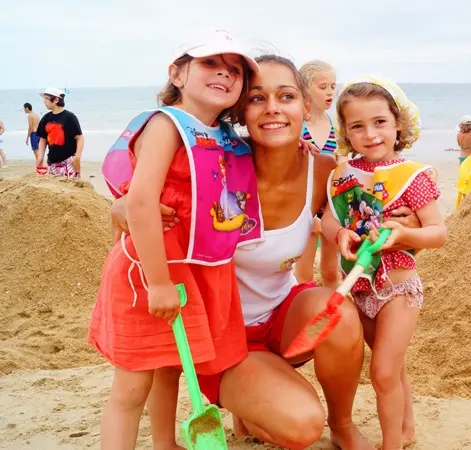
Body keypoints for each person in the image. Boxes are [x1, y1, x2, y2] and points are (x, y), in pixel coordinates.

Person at [112, 55, 422, 450]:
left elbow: (368, 209)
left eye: (286, 96)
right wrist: (120, 204)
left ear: (305, 107)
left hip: (282, 316)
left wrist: (409, 222)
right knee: (303, 427)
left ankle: (342, 425)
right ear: (242, 111)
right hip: (225, 338)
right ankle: (248, 399)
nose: (273, 108)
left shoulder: (324, 170)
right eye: (258, 98)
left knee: (341, 314)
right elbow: (150, 186)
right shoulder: (216, 164)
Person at [88, 28, 260, 449]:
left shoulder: (224, 136)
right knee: (132, 385)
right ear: (177, 74)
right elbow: (140, 202)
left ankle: (164, 443)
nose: (224, 73)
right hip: (150, 271)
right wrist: (159, 282)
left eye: (235, 70)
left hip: (193, 270)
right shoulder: (167, 124)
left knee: (169, 367)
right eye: (210, 63)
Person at [323, 75, 447, 450]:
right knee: (393, 367)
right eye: (357, 126)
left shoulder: (413, 177)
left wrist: (404, 234)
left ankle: (392, 443)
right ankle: (406, 430)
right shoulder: (342, 175)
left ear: (398, 124)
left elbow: (438, 233)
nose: (371, 134)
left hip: (398, 290)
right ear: (346, 132)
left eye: (380, 122)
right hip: (358, 288)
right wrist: (339, 234)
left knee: (383, 372)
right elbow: (329, 220)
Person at [294, 59, 340, 289]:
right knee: (304, 273)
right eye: (323, 87)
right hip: (304, 203)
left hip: (331, 203)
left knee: (331, 271)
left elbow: (341, 165)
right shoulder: (297, 123)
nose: (330, 92)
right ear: (305, 88)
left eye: (333, 86)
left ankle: (333, 308)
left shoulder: (335, 124)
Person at [34, 87, 84, 177]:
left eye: (46, 98)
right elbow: (43, 139)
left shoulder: (70, 117)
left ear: (56, 100)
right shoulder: (46, 118)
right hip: (52, 161)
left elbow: (80, 137)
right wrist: (40, 157)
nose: (44, 101)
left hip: (68, 160)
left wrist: (77, 157)